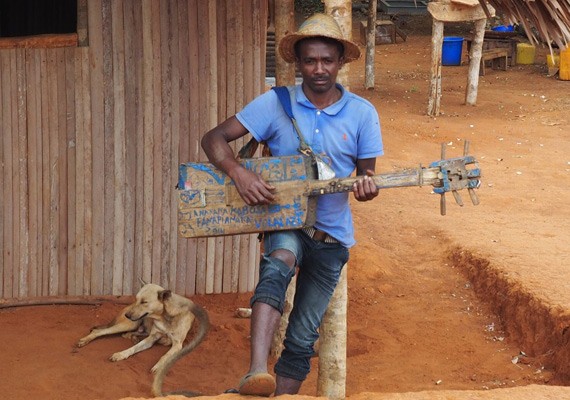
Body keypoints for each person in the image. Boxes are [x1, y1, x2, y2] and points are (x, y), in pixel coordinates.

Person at [201, 13, 383, 397]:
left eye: (327, 60)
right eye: (310, 60)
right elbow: (214, 137)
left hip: (333, 236)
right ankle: (255, 373)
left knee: (302, 335)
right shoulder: (275, 103)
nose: (319, 69)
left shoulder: (363, 114)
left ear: (340, 62)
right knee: (276, 267)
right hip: (286, 220)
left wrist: (368, 188)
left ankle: (284, 395)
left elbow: (367, 175)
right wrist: (238, 172)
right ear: (297, 63)